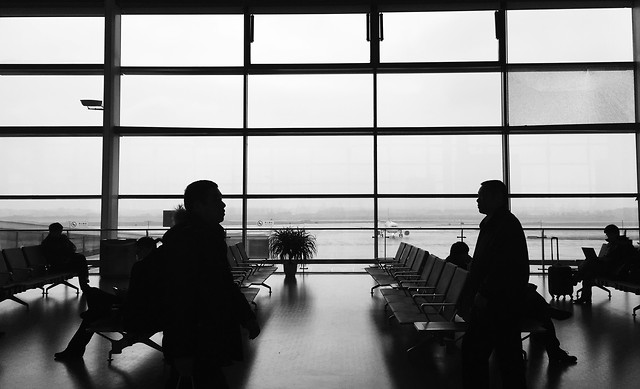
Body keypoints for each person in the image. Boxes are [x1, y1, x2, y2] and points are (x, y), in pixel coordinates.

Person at [161, 180, 260, 389]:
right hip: (197, 337)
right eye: (216, 200)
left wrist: (246, 316)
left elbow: (221, 282)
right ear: (197, 206)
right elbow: (179, 297)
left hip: (205, 335)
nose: (223, 205)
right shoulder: (188, 241)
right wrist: (182, 350)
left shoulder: (206, 237)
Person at [447, 242, 577, 366]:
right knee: (538, 310)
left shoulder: (453, 269)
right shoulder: (464, 270)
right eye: (466, 254)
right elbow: (483, 287)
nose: (469, 256)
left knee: (526, 295)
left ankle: (545, 310)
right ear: (461, 255)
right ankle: (553, 341)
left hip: (481, 306)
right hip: (491, 309)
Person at [459, 180, 530, 389]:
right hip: (499, 303)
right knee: (508, 358)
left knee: (477, 353)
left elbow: (503, 267)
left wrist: (484, 294)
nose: (477, 200)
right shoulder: (499, 224)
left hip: (495, 304)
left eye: (481, 195)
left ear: (496, 198)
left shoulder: (502, 226)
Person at [53, 236, 158, 361]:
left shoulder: (141, 266)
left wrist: (124, 295)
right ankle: (87, 322)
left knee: (94, 303)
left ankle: (75, 347)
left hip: (135, 310)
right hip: (146, 308)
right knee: (94, 294)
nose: (136, 253)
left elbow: (136, 295)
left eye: (138, 250)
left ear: (146, 249)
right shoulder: (159, 266)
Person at [573, 224, 637, 304]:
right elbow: (610, 259)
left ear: (614, 234)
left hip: (615, 272)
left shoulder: (621, 246)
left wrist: (601, 259)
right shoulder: (618, 244)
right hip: (611, 269)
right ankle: (584, 297)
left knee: (590, 263)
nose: (607, 237)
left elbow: (611, 259)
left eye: (608, 235)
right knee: (588, 274)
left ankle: (575, 279)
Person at [41, 222, 89, 291]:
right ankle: (85, 283)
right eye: (59, 231)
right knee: (80, 262)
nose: (60, 233)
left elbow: (72, 248)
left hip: (64, 262)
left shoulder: (60, 239)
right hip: (57, 266)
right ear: (53, 231)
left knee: (80, 259)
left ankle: (85, 283)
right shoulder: (47, 243)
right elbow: (51, 258)